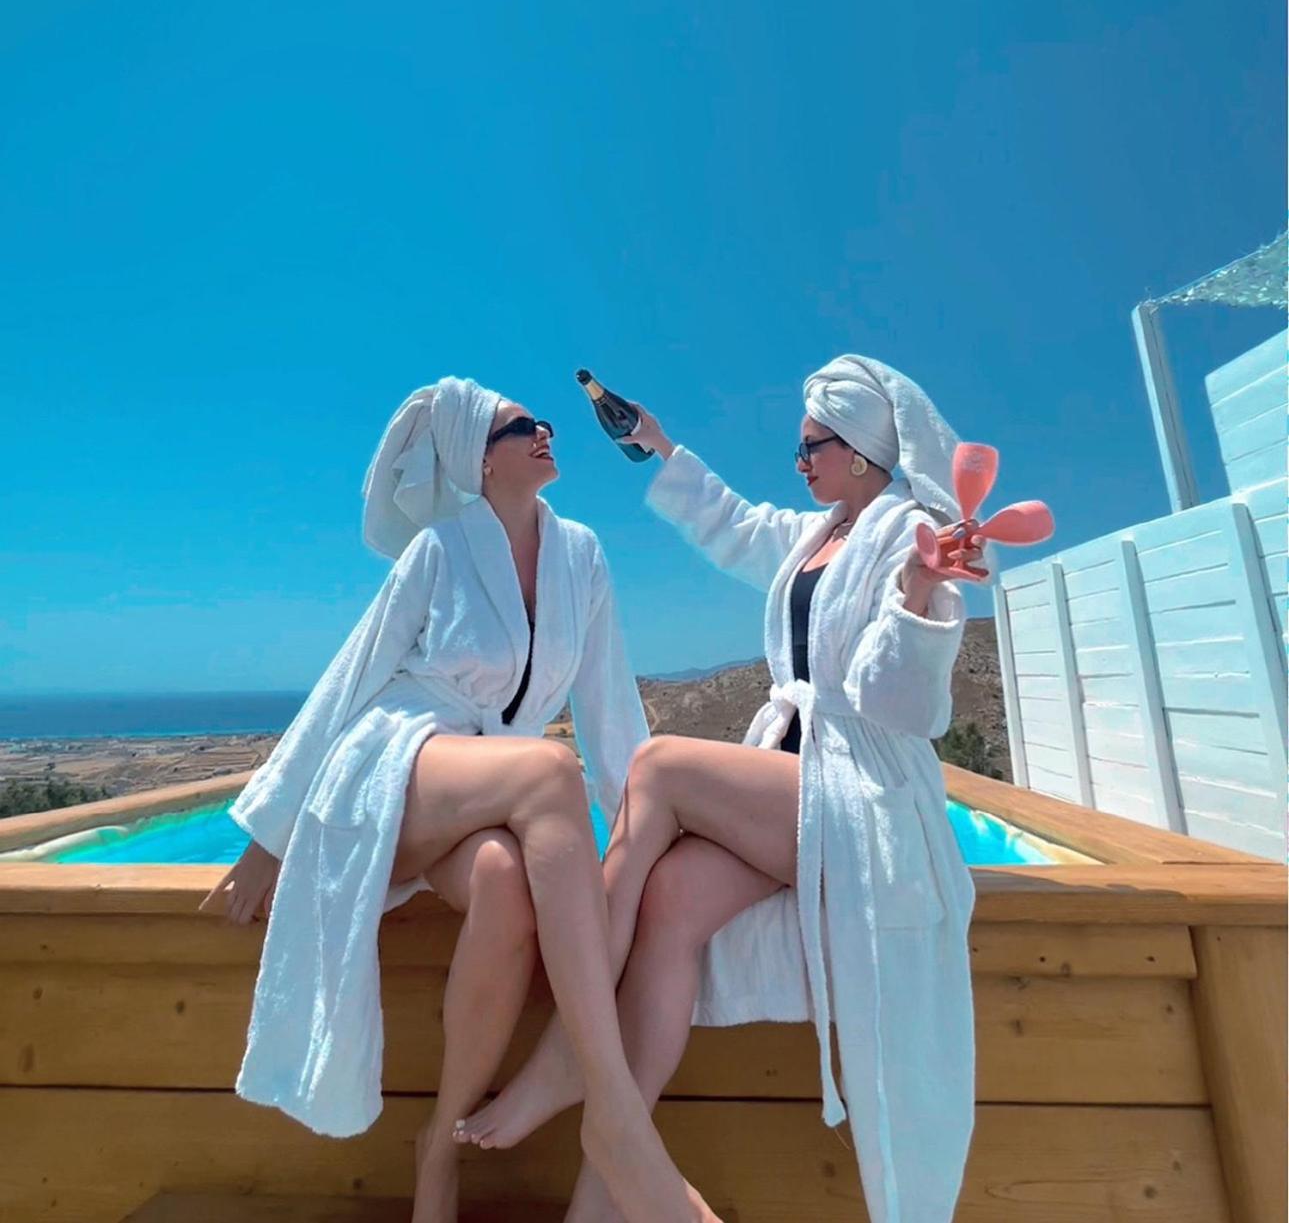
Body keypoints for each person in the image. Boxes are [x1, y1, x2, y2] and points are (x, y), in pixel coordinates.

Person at [460, 355, 982, 1223]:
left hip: (863, 793)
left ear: (858, 449)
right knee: (668, 898)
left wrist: (918, 592)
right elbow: (735, 524)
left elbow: (907, 706)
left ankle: (565, 1055)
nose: (798, 462)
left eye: (810, 446)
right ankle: (602, 1192)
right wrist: (660, 446)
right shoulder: (820, 534)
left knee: (658, 765)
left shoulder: (908, 532)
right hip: (799, 788)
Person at [200, 377, 719, 1223]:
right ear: (480, 459)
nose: (546, 431)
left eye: (542, 422)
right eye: (521, 426)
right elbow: (350, 676)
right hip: (396, 762)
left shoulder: (581, 555)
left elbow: (608, 704)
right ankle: (612, 1108)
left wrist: (648, 827)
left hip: (485, 786)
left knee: (505, 883)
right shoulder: (439, 548)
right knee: (548, 770)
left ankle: (439, 1146)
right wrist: (270, 832)